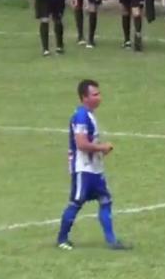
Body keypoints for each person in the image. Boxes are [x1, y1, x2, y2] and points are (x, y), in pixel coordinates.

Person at [56, 80, 129, 251]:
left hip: (94, 168)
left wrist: (99, 151)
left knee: (105, 200)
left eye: (99, 94)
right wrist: (101, 147)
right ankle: (62, 239)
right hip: (83, 169)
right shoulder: (81, 116)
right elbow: (81, 144)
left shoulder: (89, 115)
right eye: (95, 95)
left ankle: (112, 241)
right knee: (76, 202)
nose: (99, 97)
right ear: (84, 97)